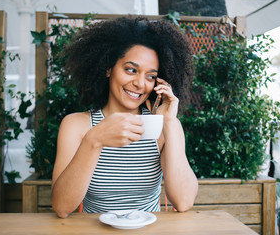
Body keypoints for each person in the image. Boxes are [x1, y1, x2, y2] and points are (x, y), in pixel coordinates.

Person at [51, 16, 198, 218]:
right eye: (131, 70)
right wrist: (94, 140)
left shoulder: (164, 127)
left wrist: (170, 123)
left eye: (150, 76)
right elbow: (61, 206)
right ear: (108, 68)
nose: (140, 83)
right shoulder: (77, 126)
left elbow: (183, 201)